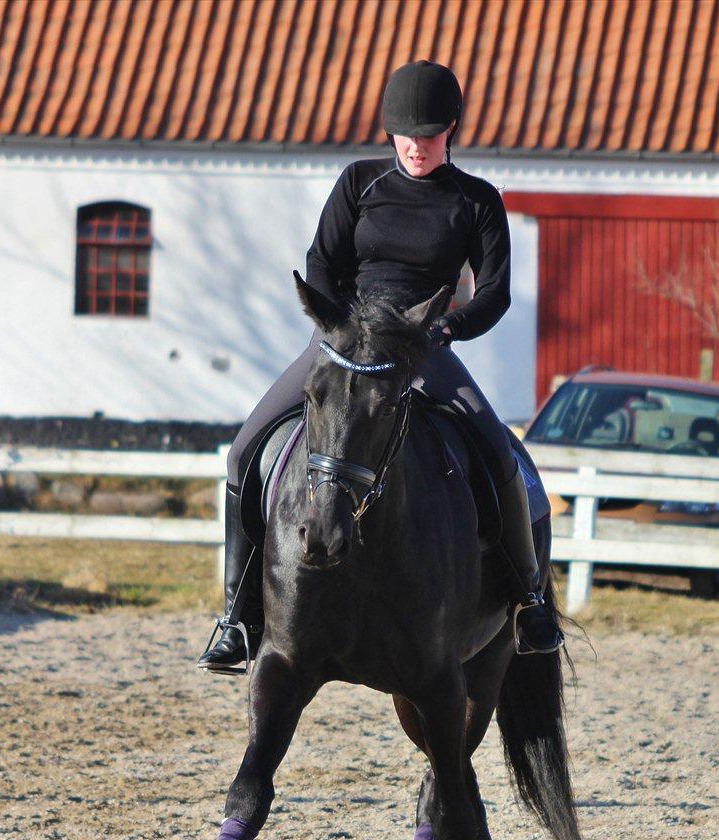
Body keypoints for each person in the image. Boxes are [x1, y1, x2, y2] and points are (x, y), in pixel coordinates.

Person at [198, 60, 563, 674]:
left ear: (452, 129)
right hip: (345, 345)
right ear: (389, 132)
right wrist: (342, 327)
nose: (415, 148)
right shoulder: (358, 183)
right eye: (404, 135)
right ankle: (236, 616)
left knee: (501, 453)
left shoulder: (475, 201)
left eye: (428, 135)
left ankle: (528, 602)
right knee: (243, 453)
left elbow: (494, 293)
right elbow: (321, 262)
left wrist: (448, 325)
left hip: (424, 349)